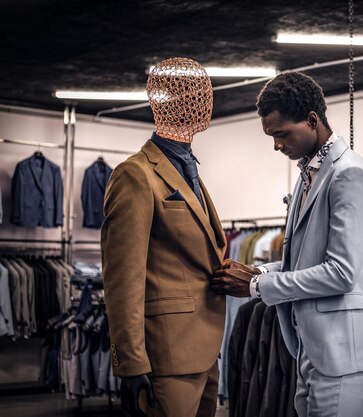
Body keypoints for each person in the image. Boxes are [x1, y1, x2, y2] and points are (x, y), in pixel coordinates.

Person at [211, 71, 363, 417]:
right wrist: (258, 270)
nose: (277, 145)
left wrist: (256, 285)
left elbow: (341, 274)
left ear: (312, 120)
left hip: (344, 352)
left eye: (281, 134)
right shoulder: (311, 172)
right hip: (314, 345)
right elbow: (306, 261)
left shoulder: (349, 174)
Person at [101, 57, 227, 417]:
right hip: (165, 356)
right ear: (160, 101)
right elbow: (122, 277)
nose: (202, 99)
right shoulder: (135, 174)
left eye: (204, 91)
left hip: (205, 349)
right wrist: (130, 361)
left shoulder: (189, 170)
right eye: (190, 92)